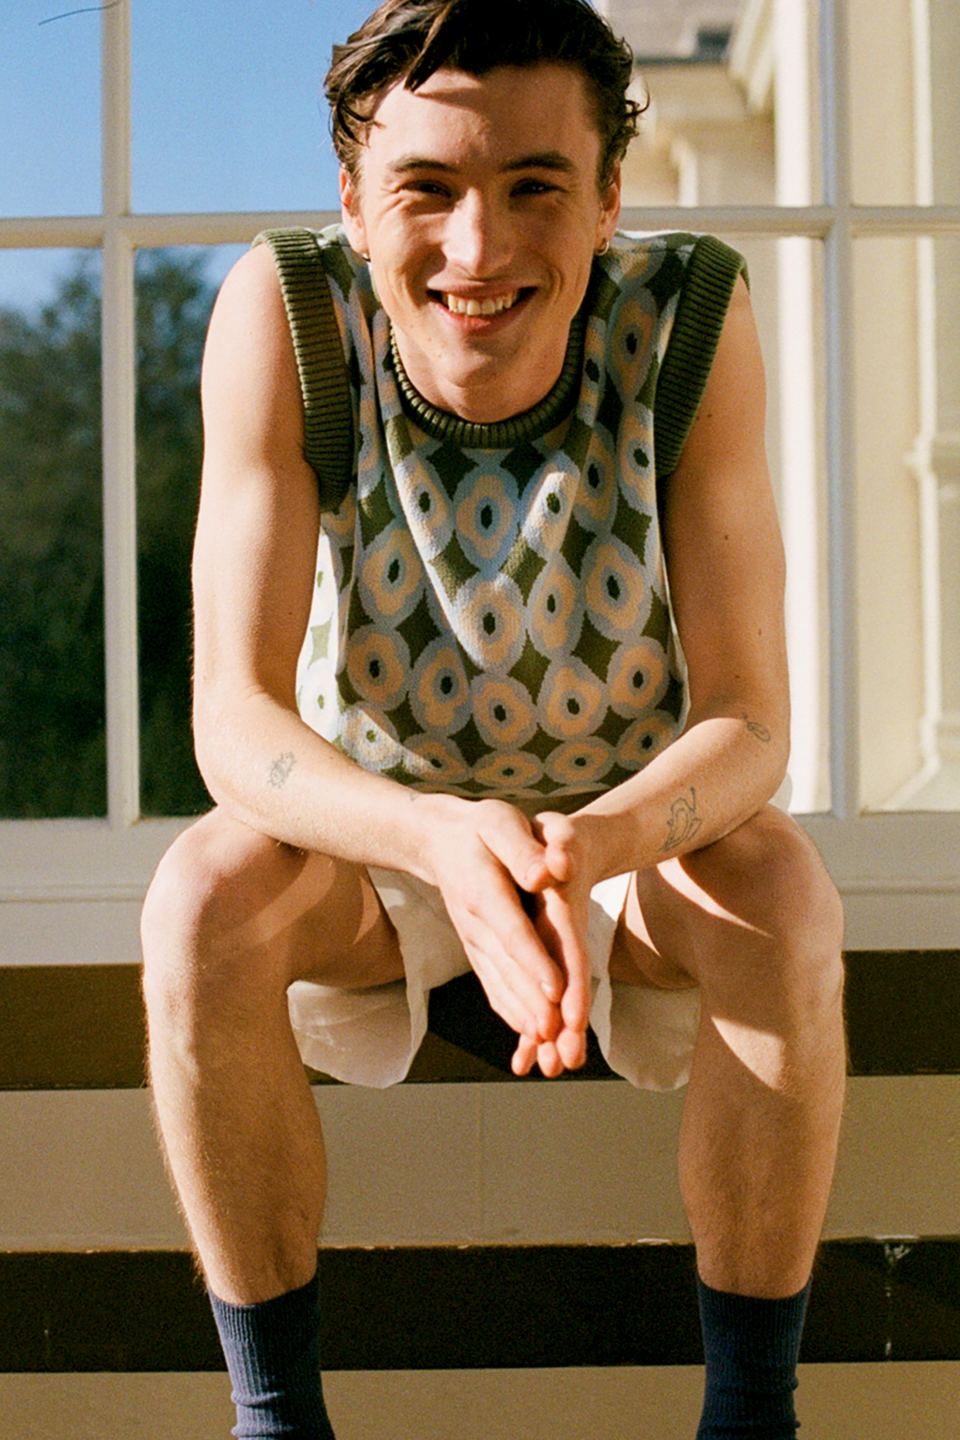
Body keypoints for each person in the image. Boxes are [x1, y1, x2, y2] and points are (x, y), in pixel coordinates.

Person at [139, 1, 846, 1435]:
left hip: (623, 850)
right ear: (354, 202)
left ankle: (751, 1418)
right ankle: (275, 1420)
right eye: (427, 189)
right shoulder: (284, 309)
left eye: (535, 186)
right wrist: (437, 836)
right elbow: (235, 717)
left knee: (781, 886)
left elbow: (753, 721)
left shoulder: (690, 312)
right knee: (200, 894)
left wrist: (591, 846)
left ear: (608, 200)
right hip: (371, 849)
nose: (479, 248)